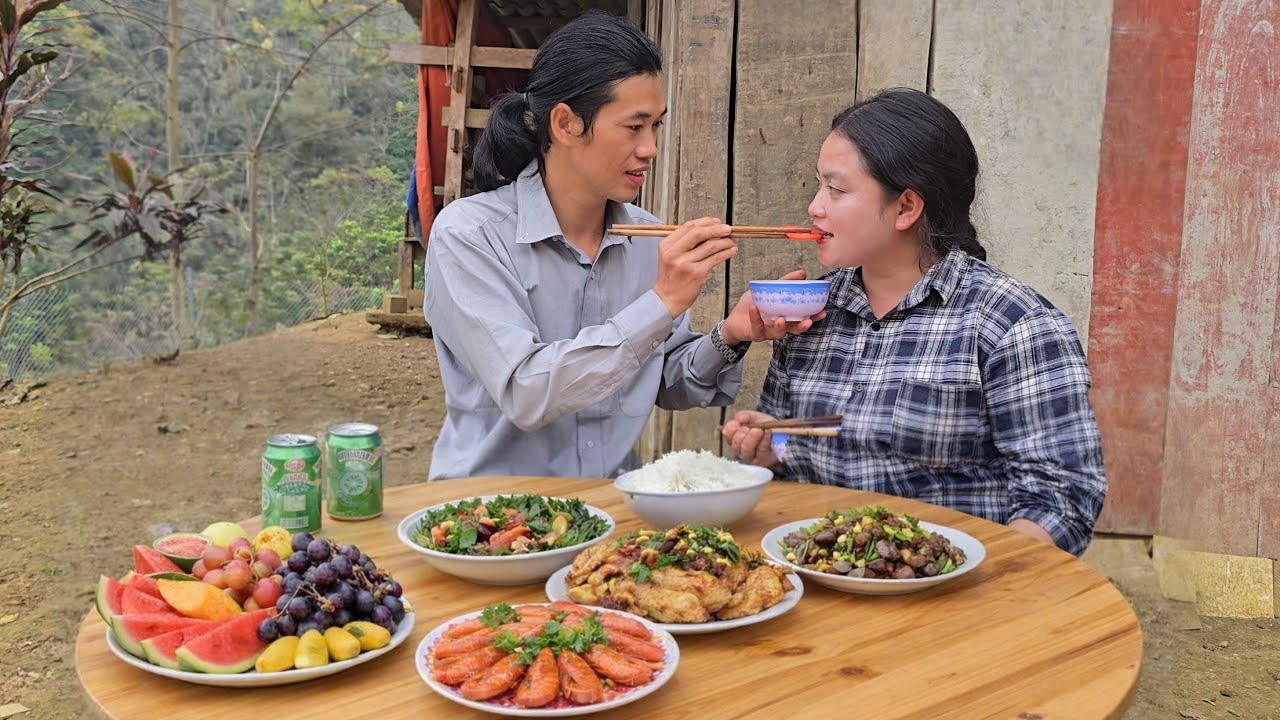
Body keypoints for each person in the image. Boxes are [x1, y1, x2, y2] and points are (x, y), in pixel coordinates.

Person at [424, 12, 821, 481]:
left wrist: (731, 334)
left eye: (656, 126)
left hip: (613, 510)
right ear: (566, 123)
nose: (651, 147)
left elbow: (665, 380)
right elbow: (527, 392)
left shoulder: (645, 236)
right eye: (634, 127)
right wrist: (662, 301)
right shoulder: (470, 235)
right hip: (491, 521)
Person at [722, 88, 1106, 556]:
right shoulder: (810, 312)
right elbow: (797, 462)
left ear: (906, 207)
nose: (815, 207)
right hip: (817, 575)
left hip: (951, 599)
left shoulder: (1012, 324)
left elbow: (1063, 498)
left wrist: (962, 574)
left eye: (835, 189)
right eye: (818, 185)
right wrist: (772, 445)